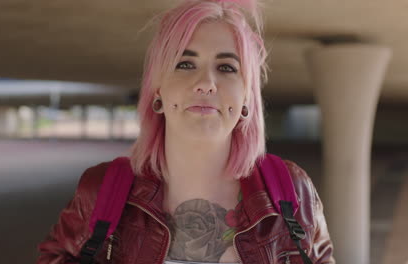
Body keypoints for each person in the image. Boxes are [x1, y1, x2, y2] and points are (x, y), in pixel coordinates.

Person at [37, 0, 335, 263]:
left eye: (227, 68)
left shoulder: (292, 190)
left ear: (247, 97)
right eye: (185, 63)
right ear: (157, 89)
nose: (206, 83)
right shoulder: (100, 188)